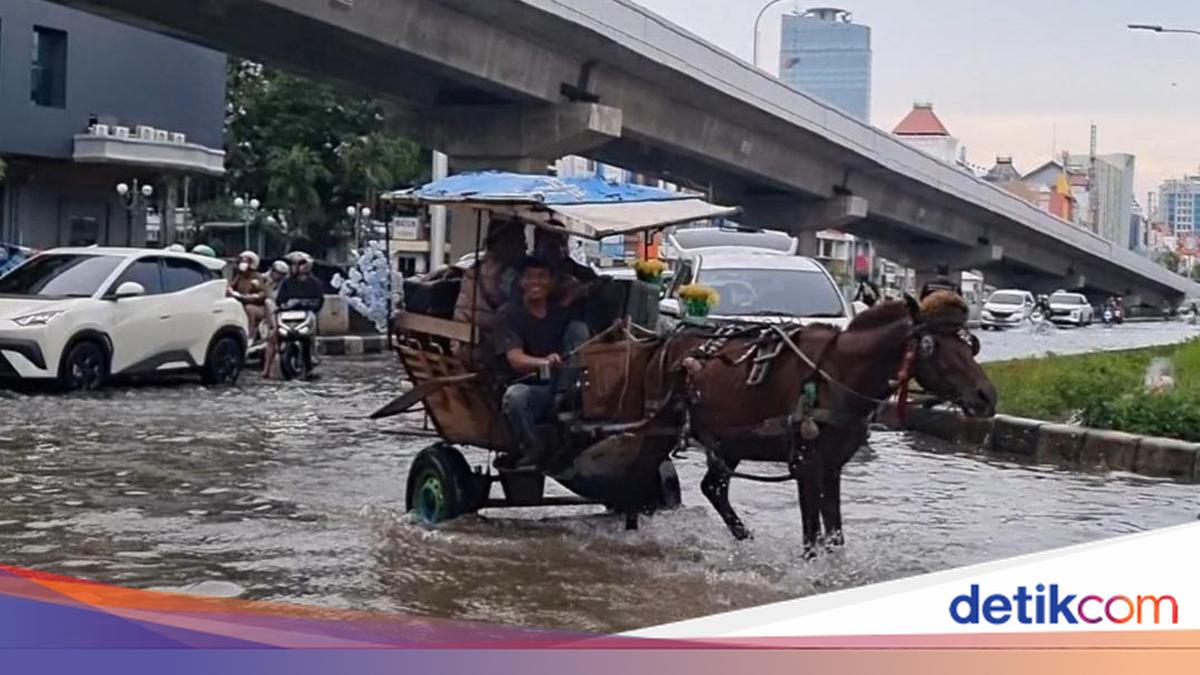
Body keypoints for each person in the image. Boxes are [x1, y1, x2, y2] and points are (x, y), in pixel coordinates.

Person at [496, 256, 591, 469]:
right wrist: (544, 362)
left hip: (563, 389)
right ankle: (532, 449)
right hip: (531, 388)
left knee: (579, 330)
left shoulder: (562, 313)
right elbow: (515, 359)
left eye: (541, 277)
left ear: (552, 282)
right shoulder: (509, 314)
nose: (535, 282)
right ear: (521, 282)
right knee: (515, 398)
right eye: (530, 277)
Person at [453, 218, 526, 356]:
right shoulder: (507, 273)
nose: (525, 247)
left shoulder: (475, 268)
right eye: (521, 241)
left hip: (461, 344)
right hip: (482, 349)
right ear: (506, 242)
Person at [275, 252, 326, 373]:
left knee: (308, 338)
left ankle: (311, 360)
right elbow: (280, 300)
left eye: (295, 264)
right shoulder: (287, 282)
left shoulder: (314, 283)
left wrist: (309, 306)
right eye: (292, 265)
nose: (292, 267)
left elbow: (319, 300)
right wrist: (285, 305)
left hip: (306, 315)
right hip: (288, 316)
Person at [260, 260, 290, 378]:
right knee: (272, 338)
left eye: (282, 274)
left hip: (281, 311)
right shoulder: (262, 279)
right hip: (263, 309)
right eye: (278, 273)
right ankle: (266, 369)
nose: (279, 276)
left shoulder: (286, 283)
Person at [228, 251, 266, 342]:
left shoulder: (257, 277)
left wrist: (252, 297)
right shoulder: (239, 277)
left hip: (257, 306)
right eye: (242, 261)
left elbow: (262, 294)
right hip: (240, 302)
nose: (243, 264)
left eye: (246, 261)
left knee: (249, 309)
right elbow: (230, 286)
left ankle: (250, 335)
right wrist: (230, 291)